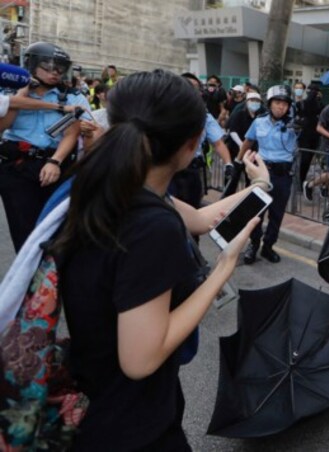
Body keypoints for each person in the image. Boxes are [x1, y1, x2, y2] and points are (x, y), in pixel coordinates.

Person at [53, 70, 270, 450]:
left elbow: (203, 219)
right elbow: (141, 359)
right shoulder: (152, 227)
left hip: (95, 396)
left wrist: (258, 188)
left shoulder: (101, 184)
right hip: (130, 425)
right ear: (193, 144)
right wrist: (222, 269)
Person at [0, 42, 89, 252]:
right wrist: (21, 94)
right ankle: (27, 281)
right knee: (23, 232)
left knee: (55, 229)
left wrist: (54, 161)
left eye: (60, 67)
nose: (55, 72)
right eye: (48, 66)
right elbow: (3, 126)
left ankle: (51, 277)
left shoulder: (71, 96)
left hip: (55, 165)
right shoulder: (9, 93)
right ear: (31, 65)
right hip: (17, 167)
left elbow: (72, 133)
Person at [237, 85, 298, 264]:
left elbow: (311, 128)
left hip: (282, 175)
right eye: (278, 103)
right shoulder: (259, 122)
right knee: (256, 211)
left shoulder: (294, 125)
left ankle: (268, 247)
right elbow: (248, 142)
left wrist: (301, 124)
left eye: (285, 104)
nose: (281, 107)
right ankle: (253, 245)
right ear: (270, 104)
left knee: (276, 214)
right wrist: (237, 161)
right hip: (261, 173)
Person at [172, 73, 233, 209]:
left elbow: (218, 143)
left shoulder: (205, 116)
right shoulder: (166, 112)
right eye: (187, 85)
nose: (191, 90)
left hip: (194, 169)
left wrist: (228, 163)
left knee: (193, 207)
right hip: (171, 169)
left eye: (195, 87)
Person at [295, 82, 323, 185]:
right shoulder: (301, 104)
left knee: (308, 159)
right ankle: (299, 180)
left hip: (315, 136)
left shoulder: (320, 105)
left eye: (315, 91)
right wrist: (300, 122)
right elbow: (294, 118)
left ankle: (302, 180)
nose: (312, 93)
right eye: (311, 91)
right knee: (304, 159)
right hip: (304, 135)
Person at [224, 92, 264, 159]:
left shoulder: (261, 116)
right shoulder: (239, 114)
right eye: (252, 100)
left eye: (257, 101)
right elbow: (233, 131)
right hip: (236, 148)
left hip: (253, 150)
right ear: (247, 102)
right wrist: (241, 144)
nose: (255, 102)